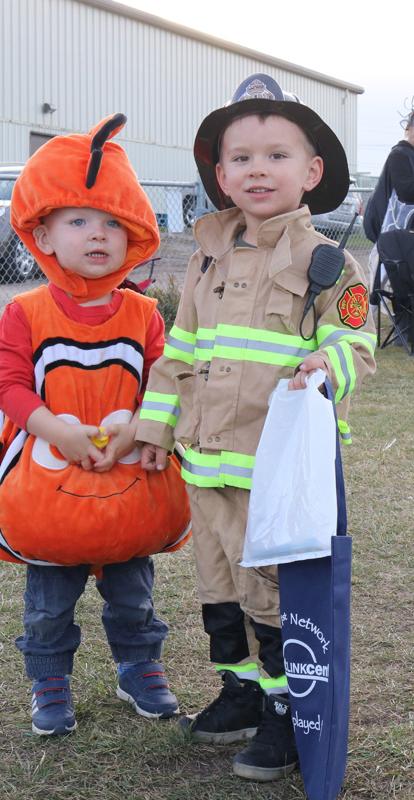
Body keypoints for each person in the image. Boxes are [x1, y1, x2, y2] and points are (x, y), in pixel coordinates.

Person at [136, 74, 377, 782]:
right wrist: (156, 428)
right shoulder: (202, 258)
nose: (257, 169)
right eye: (240, 157)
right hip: (204, 468)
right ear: (219, 174)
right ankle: (239, 691)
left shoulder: (328, 262)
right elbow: (176, 351)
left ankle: (285, 715)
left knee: (269, 595)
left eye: (276, 155)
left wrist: (325, 369)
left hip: (276, 477)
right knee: (218, 589)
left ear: (311, 172)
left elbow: (355, 343)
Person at [0, 113, 191, 736]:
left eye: (111, 223)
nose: (98, 235)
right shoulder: (24, 314)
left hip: (131, 476)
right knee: (50, 599)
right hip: (53, 483)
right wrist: (58, 432)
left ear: (135, 236)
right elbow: (10, 386)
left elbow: (165, 378)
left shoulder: (146, 314)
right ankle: (49, 677)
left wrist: (139, 431)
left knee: (135, 588)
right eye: (78, 221)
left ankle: (139, 665)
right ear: (43, 236)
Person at [364, 105, 414, 303]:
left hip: (406, 231)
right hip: (391, 231)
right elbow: (406, 190)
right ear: (409, 128)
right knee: (396, 278)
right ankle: (400, 321)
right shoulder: (400, 155)